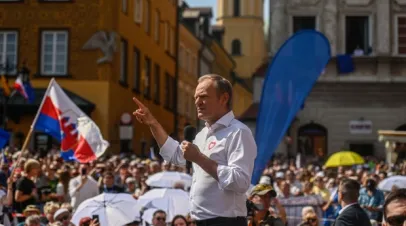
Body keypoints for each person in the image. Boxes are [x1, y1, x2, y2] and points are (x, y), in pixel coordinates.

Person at [133, 74, 257, 226]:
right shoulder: (202, 134)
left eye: (203, 96)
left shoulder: (239, 132)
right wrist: (153, 123)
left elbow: (240, 182)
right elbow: (176, 155)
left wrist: (199, 158)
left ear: (224, 98)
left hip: (225, 221)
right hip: (199, 221)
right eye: (196, 97)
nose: (197, 102)